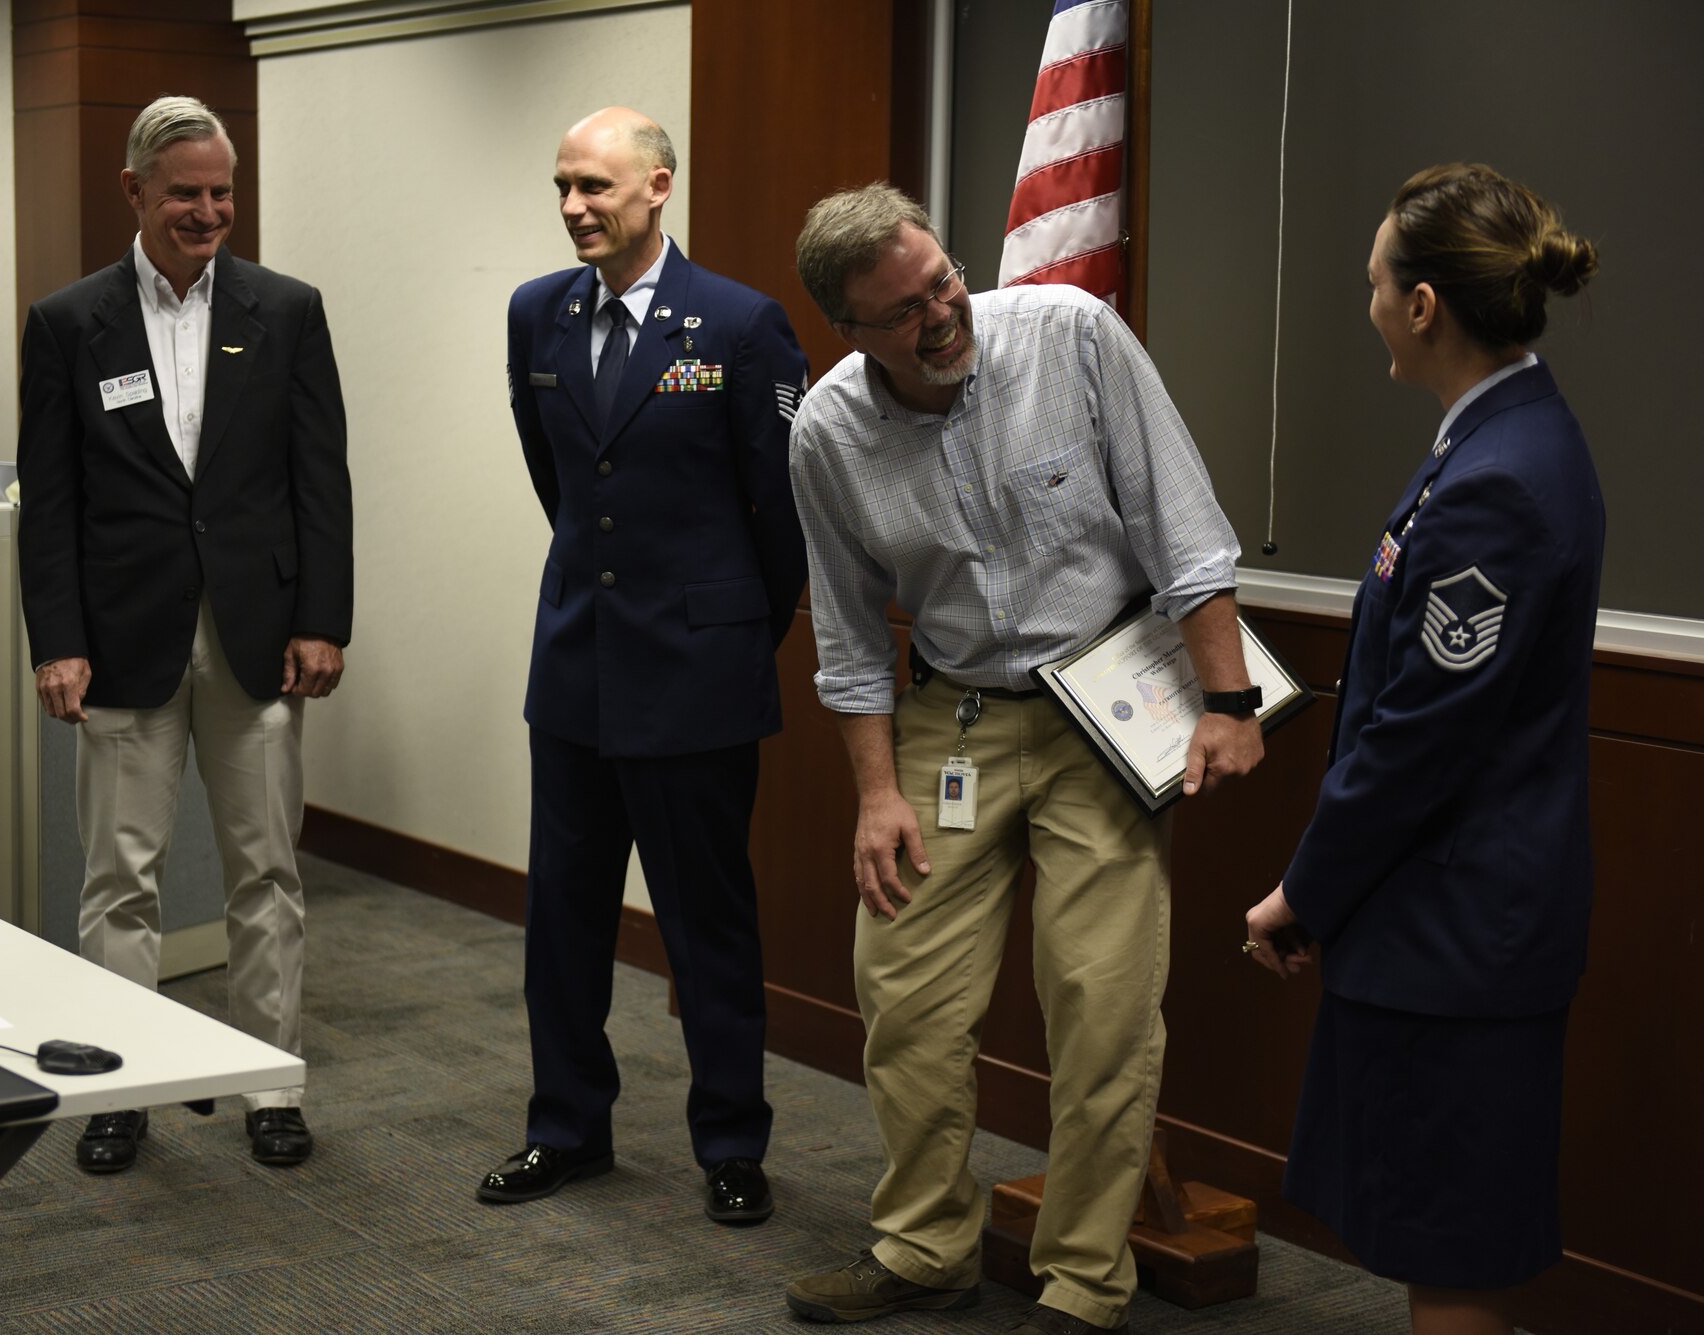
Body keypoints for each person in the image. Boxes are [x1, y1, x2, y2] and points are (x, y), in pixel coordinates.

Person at [782, 184, 1262, 1334]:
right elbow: (846, 637)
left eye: (941, 281)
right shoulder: (827, 437)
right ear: (847, 331)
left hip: (1101, 710)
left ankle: (1082, 1284)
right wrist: (874, 797)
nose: (941, 316)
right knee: (902, 997)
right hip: (949, 725)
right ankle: (922, 1247)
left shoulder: (1069, 336)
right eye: (902, 312)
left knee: (1100, 1005)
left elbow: (1179, 525)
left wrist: (1229, 698)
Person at [1244, 164, 1603, 1335]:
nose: (1364, 303)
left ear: (1420, 305)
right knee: (1430, 1223)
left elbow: (1416, 739)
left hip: (1454, 933)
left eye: (1369, 282)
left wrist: (1304, 889)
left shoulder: (1496, 477)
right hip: (1451, 922)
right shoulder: (1498, 441)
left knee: (1446, 1240)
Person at [480, 107, 807, 1225]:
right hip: (576, 667)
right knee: (561, 918)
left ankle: (729, 1142)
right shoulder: (536, 313)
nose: (575, 206)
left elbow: (780, 513)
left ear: (657, 187)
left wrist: (727, 636)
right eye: (563, 185)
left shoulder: (739, 323)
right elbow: (559, 485)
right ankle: (564, 1128)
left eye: (596, 187)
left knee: (704, 924)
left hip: (697, 673)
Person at [17, 95, 352, 1173]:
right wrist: (54, 639)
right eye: (185, 195)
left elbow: (320, 481)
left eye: (221, 193)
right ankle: (123, 1088)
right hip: (120, 641)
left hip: (257, 638)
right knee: (119, 876)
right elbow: (53, 501)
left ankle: (267, 1082)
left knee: (266, 872)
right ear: (134, 194)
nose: (207, 212)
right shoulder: (70, 323)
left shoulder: (287, 309)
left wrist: (321, 619)